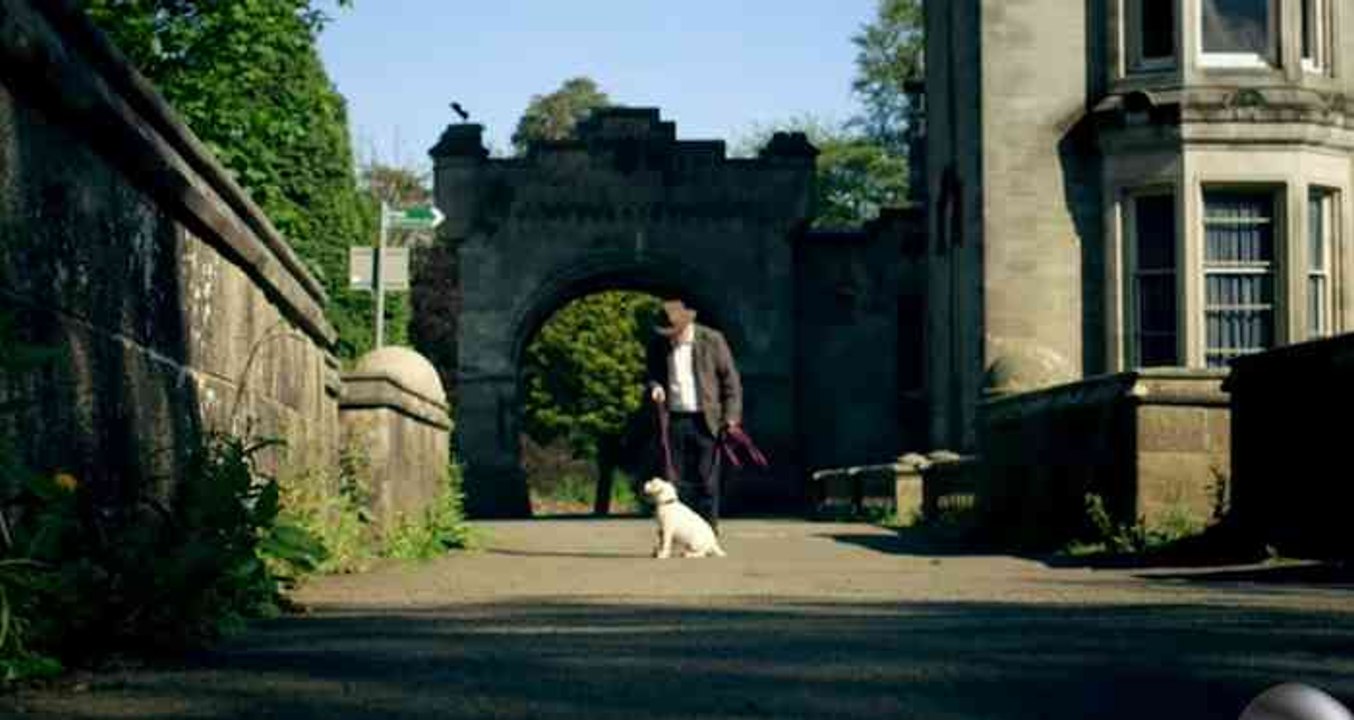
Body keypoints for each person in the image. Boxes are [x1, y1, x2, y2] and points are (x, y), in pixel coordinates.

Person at [645, 298, 742, 531]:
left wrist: (731, 417)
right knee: (674, 481)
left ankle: (708, 532)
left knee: (707, 481)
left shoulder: (712, 340)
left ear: (686, 326)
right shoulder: (660, 345)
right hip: (675, 419)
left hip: (706, 419)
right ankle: (682, 532)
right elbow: (652, 373)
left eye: (673, 332)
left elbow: (731, 381)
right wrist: (655, 386)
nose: (670, 337)